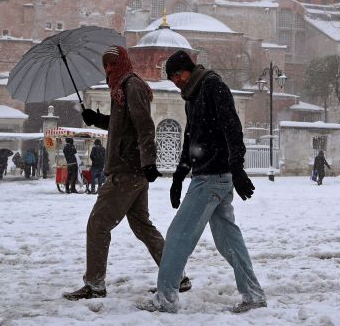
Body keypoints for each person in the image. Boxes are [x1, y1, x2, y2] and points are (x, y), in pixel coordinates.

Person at [139, 50, 266, 314]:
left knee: (178, 236)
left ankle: (166, 298)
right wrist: (178, 176)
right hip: (211, 177)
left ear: (189, 69)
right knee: (228, 241)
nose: (176, 81)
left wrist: (238, 169)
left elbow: (233, 127)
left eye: (177, 75)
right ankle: (253, 295)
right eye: (171, 77)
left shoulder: (212, 86)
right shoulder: (192, 95)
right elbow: (191, 138)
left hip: (212, 177)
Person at [63, 45, 186, 300]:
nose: (108, 69)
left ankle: (95, 284)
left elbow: (144, 125)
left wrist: (149, 161)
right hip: (131, 169)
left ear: (122, 63)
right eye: (105, 64)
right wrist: (95, 118)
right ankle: (177, 277)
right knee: (141, 225)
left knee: (98, 224)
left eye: (112, 64)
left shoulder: (131, 86)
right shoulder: (120, 89)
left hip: (127, 170)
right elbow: (122, 124)